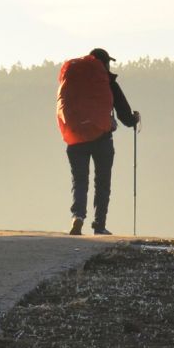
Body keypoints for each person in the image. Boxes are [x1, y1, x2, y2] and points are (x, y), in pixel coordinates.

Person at [57, 47, 141, 235]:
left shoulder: (72, 79)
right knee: (102, 182)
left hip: (75, 138)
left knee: (79, 181)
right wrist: (134, 119)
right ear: (104, 63)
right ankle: (99, 225)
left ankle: (78, 216)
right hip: (101, 139)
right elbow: (124, 114)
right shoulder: (106, 82)